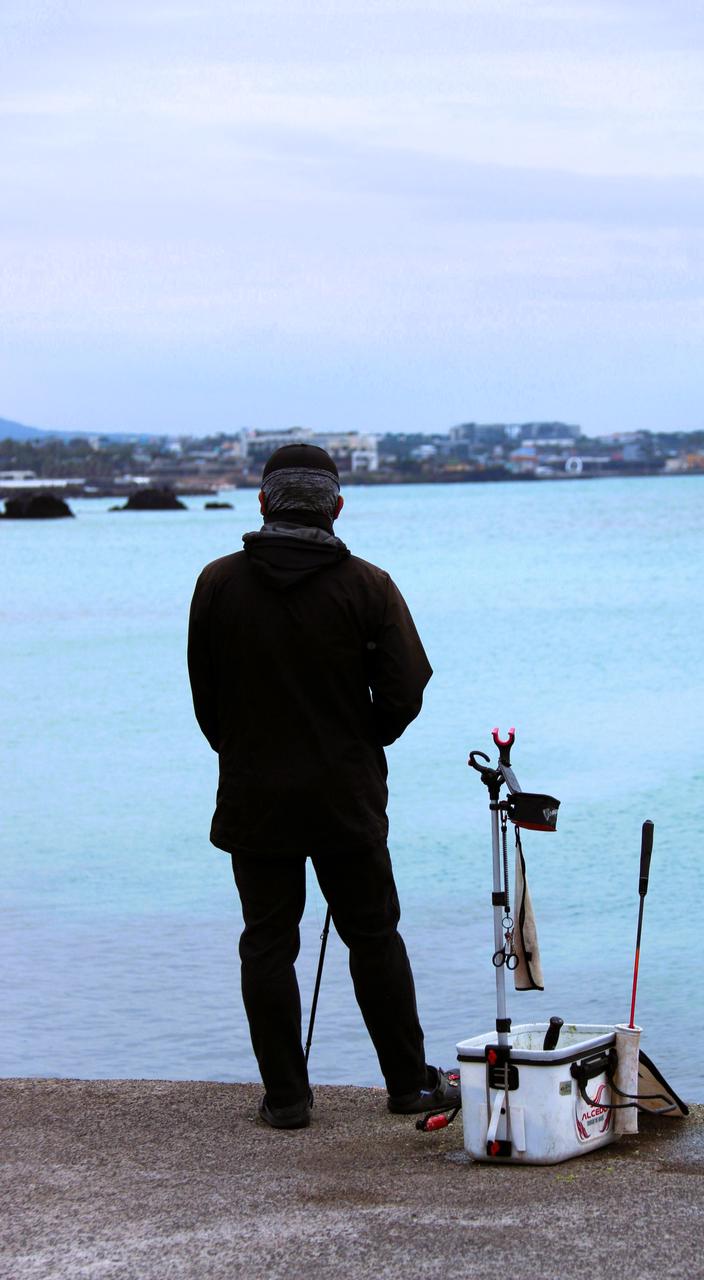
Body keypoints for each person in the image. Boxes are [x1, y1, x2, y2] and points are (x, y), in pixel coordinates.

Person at [187, 443, 460, 1129]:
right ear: (337, 506)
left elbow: (206, 697)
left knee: (267, 941)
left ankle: (286, 1099)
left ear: (261, 503)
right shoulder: (368, 585)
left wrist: (245, 747)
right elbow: (405, 689)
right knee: (373, 935)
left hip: (254, 793)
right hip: (345, 792)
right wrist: (361, 738)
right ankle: (407, 1085)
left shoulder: (217, 584)